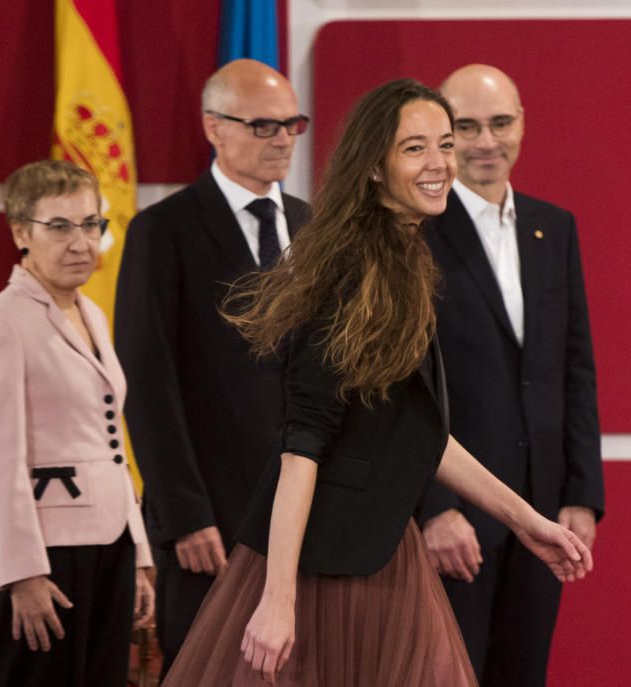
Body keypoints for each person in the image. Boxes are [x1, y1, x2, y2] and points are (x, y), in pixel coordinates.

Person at [160, 78, 593, 687]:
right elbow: (302, 444)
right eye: (415, 148)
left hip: (381, 552)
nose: (441, 162)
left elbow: (423, 434)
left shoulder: (403, 258)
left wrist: (529, 522)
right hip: (326, 566)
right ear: (373, 166)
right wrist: (279, 599)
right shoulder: (356, 268)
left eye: (444, 143)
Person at [114, 58, 311, 674]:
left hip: (306, 513)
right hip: (211, 521)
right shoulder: (163, 230)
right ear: (214, 128)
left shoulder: (316, 227)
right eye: (263, 126)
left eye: (292, 124)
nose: (282, 139)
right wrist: (183, 514)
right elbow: (146, 382)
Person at [419, 63, 605, 686]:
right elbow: (400, 390)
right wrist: (435, 508)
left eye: (500, 122)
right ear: (444, 136)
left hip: (543, 509)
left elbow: (574, 367)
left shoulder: (555, 228)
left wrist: (580, 492)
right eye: (465, 127)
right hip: (458, 519)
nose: (486, 142)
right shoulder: (413, 234)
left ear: (522, 123)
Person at [0, 160, 155, 687]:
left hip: (108, 541)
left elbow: (111, 445)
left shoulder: (91, 312)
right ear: (21, 233)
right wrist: (21, 574)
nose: (81, 243)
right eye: (60, 226)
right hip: (46, 554)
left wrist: (136, 551)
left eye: (92, 224)